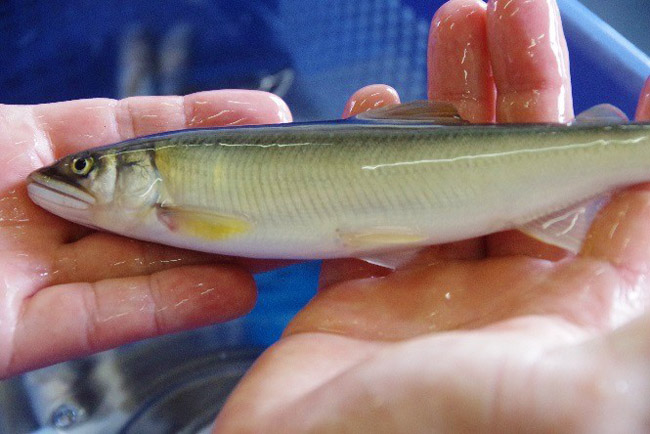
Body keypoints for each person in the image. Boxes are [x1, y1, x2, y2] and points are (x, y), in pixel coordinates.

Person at [1, 0, 649, 431]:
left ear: (146, 173)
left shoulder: (174, 198)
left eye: (88, 168)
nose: (66, 180)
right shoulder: (159, 202)